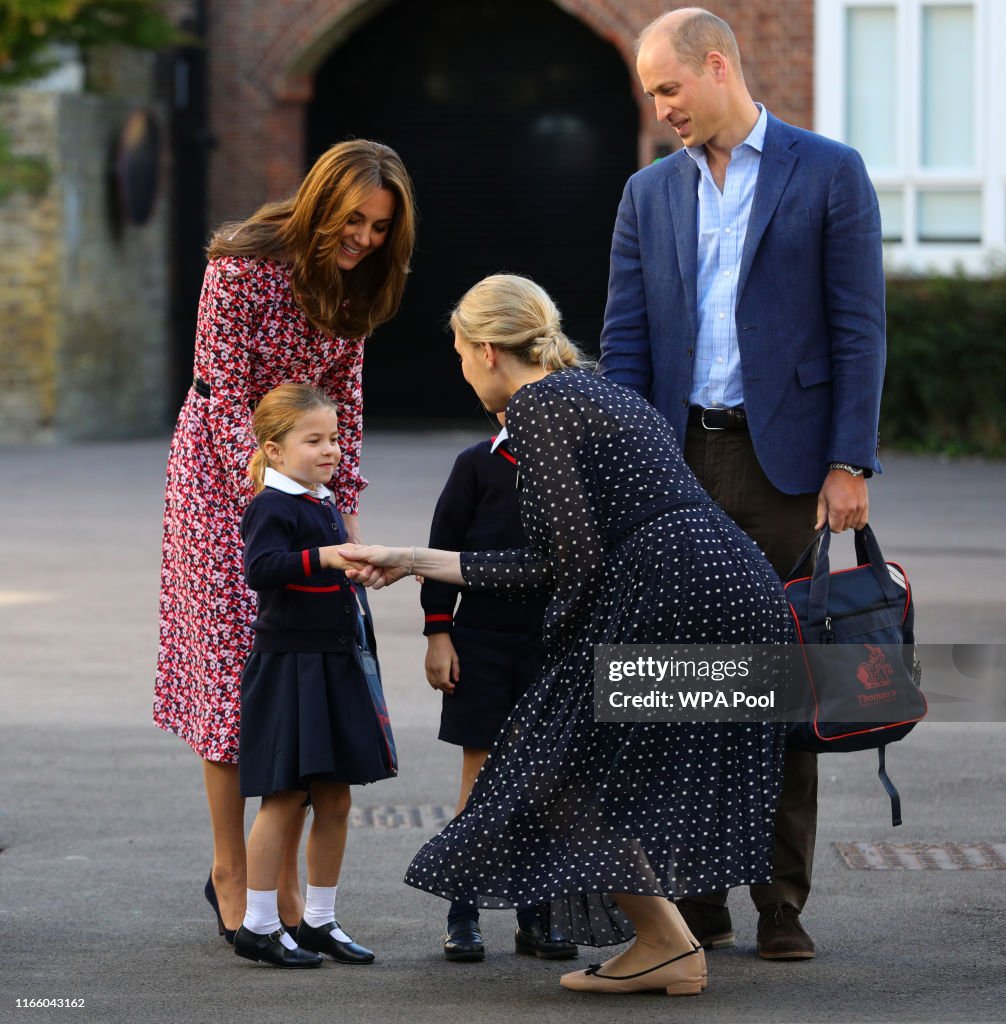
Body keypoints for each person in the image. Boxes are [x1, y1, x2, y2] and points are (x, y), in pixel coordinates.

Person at [339, 273, 791, 997]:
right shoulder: (600, 390)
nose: (460, 371)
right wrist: (415, 560)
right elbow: (565, 554)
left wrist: (555, 656)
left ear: (487, 350)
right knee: (589, 770)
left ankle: (666, 943)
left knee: (554, 767)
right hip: (731, 583)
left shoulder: (539, 406)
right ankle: (667, 944)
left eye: (458, 354)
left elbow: (557, 565)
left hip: (669, 595)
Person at [598, 7, 886, 960]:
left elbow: (858, 328)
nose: (660, 108)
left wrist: (849, 462)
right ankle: (699, 899)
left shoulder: (828, 170)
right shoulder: (646, 194)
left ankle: (781, 904)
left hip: (787, 471)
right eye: (652, 95)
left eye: (668, 88)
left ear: (716, 67)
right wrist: (626, 469)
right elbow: (625, 342)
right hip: (679, 463)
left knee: (778, 683)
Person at [153, 139, 416, 943]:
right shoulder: (240, 265)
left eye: (380, 228)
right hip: (221, 480)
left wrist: (347, 511)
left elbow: (348, 404)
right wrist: (288, 500)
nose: (366, 238)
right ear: (320, 202)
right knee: (239, 679)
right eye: (356, 220)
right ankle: (232, 873)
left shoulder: (360, 281)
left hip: (306, 481)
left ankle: (284, 887)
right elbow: (230, 397)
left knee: (304, 679)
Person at [232, 383, 394, 968]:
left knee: (337, 799)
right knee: (283, 798)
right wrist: (326, 558)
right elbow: (262, 569)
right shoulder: (271, 506)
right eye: (314, 440)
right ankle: (257, 924)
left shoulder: (321, 501)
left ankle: (320, 921)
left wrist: (364, 567)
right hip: (291, 668)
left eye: (335, 438)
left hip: (335, 662)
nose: (331, 450)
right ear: (275, 450)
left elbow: (330, 575)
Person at [421, 415, 576, 962]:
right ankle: (462, 912)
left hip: (552, 644)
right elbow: (441, 548)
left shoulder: (573, 465)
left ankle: (536, 916)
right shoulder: (477, 464)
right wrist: (438, 632)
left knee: (544, 781)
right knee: (480, 777)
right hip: (481, 641)